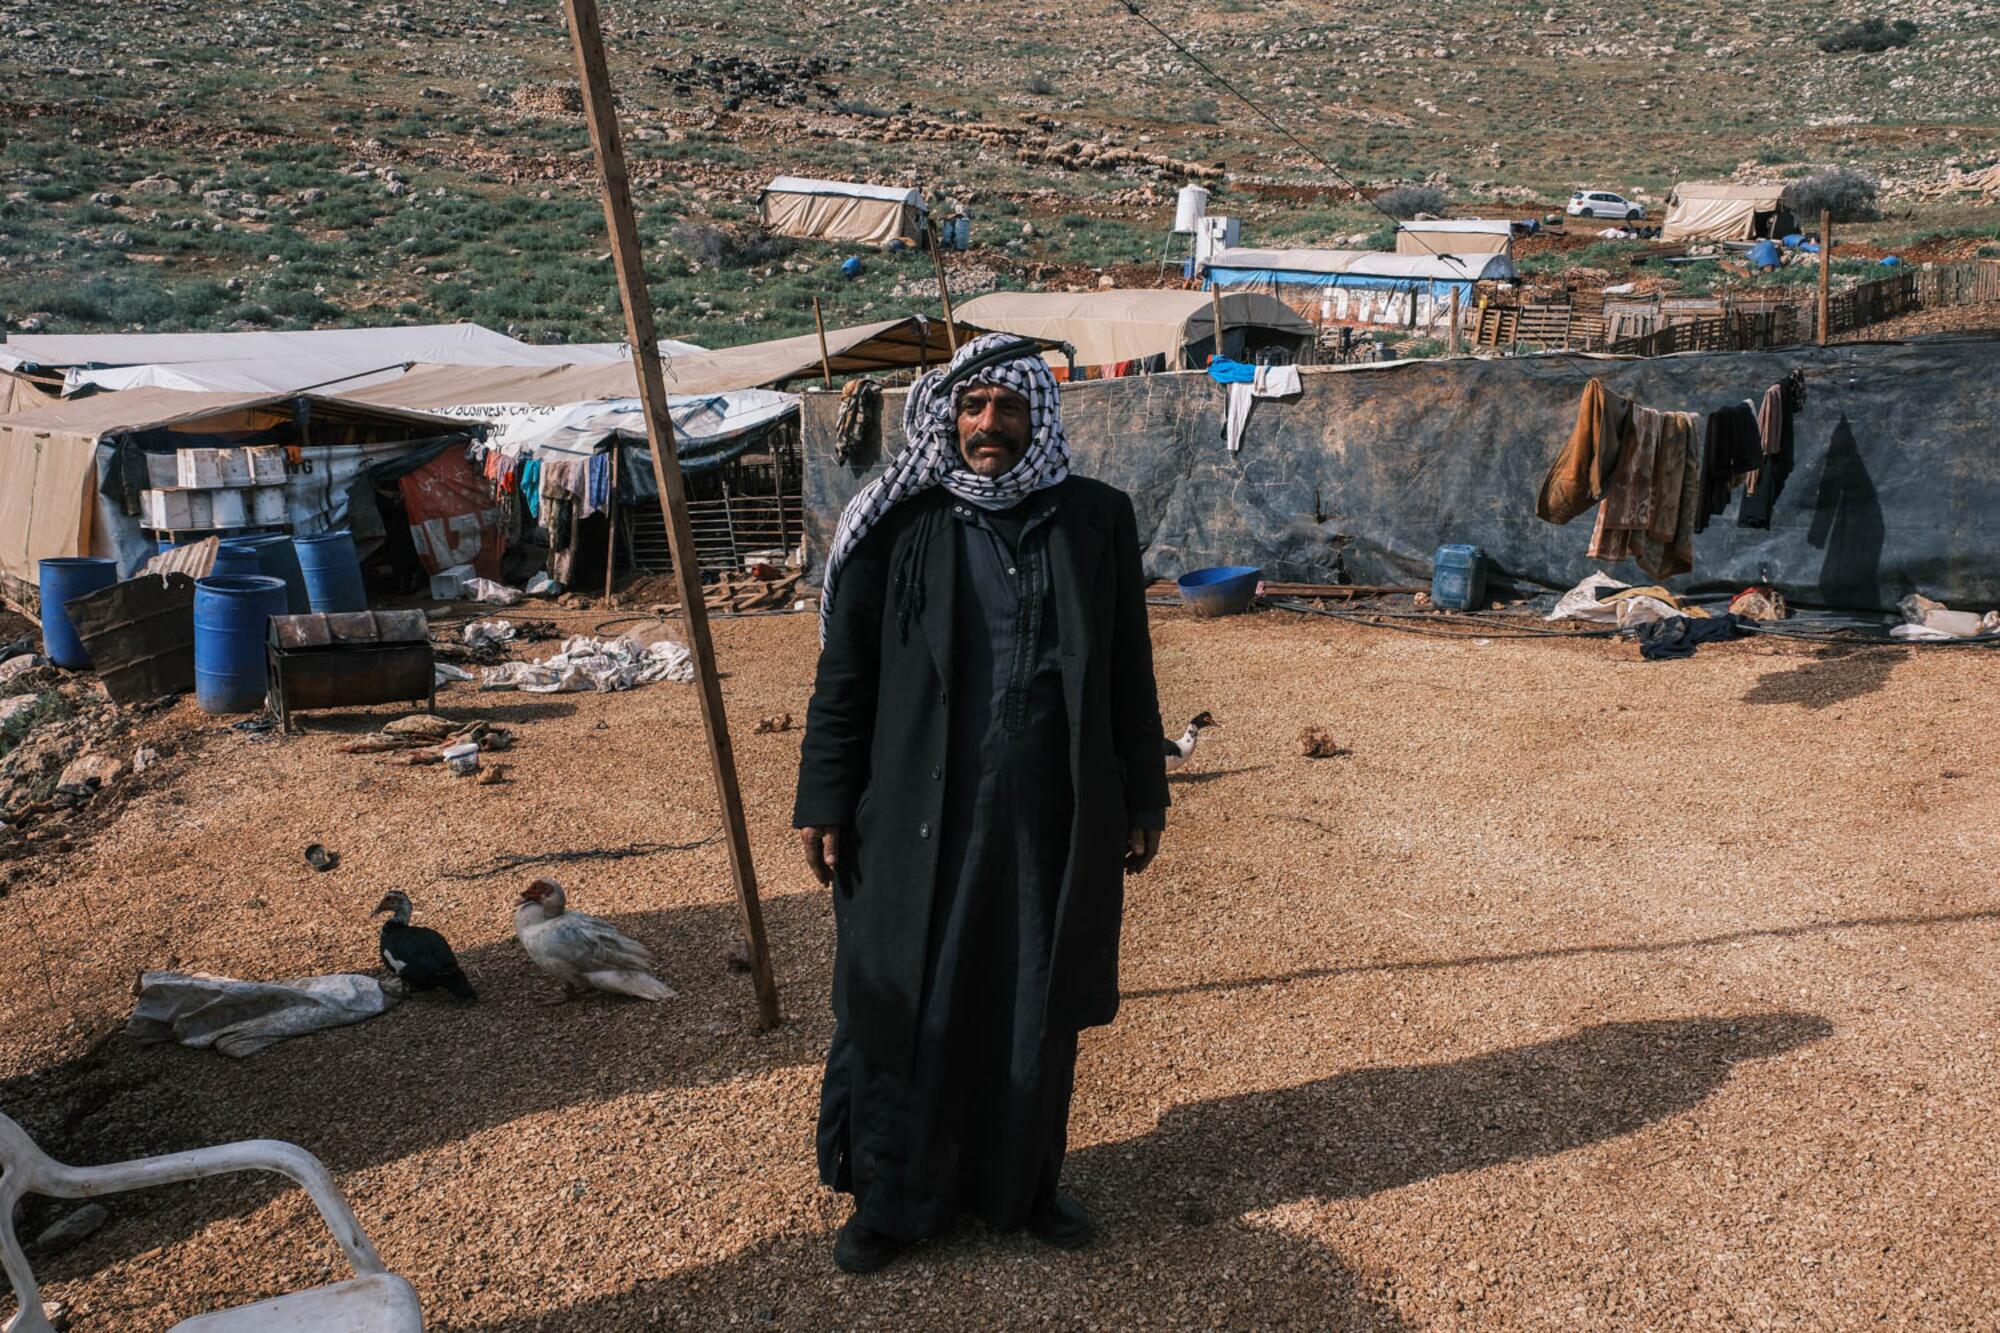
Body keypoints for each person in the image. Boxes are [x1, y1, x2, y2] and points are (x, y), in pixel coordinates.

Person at [794, 333, 1170, 1274]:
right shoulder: (900, 524)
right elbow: (845, 676)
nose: (987, 424)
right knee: (904, 1000)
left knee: (1031, 994)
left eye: (1006, 407)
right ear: (945, 420)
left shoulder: (1094, 519)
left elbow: (1128, 668)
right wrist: (825, 797)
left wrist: (1143, 793)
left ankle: (1022, 1188)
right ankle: (890, 1199)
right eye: (970, 407)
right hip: (919, 819)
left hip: (1048, 819)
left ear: (1038, 417)